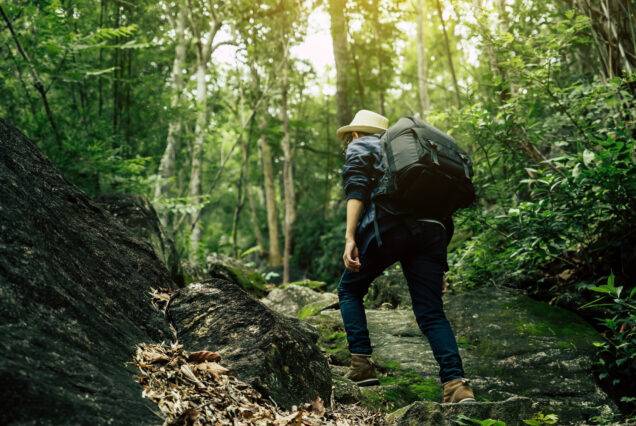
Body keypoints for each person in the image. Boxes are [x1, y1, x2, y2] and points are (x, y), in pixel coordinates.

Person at [336, 109, 475, 403]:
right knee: (431, 312)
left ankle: (361, 365)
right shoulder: (410, 149)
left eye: (350, 137)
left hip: (392, 225)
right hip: (433, 229)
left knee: (349, 289)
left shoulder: (363, 145)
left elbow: (357, 189)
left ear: (357, 133)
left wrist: (350, 237)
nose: (349, 142)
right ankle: (456, 385)